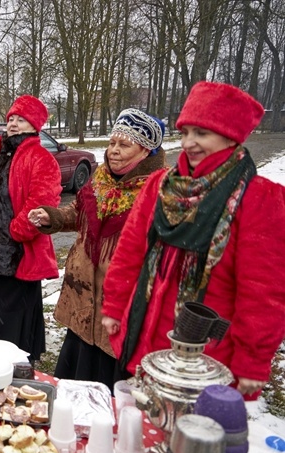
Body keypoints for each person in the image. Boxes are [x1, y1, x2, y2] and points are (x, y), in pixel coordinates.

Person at [102, 81, 285, 399]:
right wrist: (115, 306)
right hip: (144, 326)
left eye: (201, 133)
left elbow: (264, 292)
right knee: (142, 422)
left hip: (208, 347)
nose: (189, 143)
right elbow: (130, 251)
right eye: (185, 132)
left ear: (230, 136)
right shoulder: (161, 185)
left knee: (189, 433)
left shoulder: (261, 198)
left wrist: (252, 361)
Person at [28, 109, 166, 389]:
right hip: (82, 297)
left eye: (124, 145)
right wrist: (51, 217)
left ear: (146, 151)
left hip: (119, 302)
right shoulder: (100, 178)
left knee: (109, 382)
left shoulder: (159, 191)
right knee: (75, 377)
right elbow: (80, 211)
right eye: (112, 142)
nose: (113, 151)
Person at [0, 94, 62, 362]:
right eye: (12, 119)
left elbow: (42, 201)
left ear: (35, 125)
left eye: (22, 120)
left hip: (18, 251)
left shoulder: (40, 157)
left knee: (6, 309)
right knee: (9, 304)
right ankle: (23, 353)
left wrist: (13, 232)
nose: (14, 124)